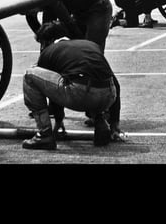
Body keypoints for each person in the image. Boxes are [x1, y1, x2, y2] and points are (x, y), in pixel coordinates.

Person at [21, 21, 118, 150]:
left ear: (47, 41)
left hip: (81, 94)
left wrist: (59, 121)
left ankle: (44, 134)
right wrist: (115, 123)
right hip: (109, 95)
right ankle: (101, 123)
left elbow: (51, 91)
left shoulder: (49, 51)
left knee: (30, 74)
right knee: (91, 77)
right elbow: (115, 82)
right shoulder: (89, 44)